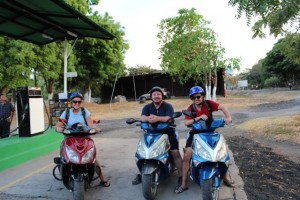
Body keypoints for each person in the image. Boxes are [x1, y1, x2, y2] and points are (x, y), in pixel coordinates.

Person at [175, 86, 234, 194]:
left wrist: (228, 117)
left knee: (223, 152)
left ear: (202, 96)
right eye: (193, 97)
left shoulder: (209, 104)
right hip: (195, 133)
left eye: (198, 96)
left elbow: (222, 107)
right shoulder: (191, 108)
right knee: (187, 155)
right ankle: (183, 184)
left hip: (210, 132)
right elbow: (186, 123)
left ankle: (225, 178)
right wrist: (199, 117)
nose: (196, 99)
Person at [55, 92, 110, 187]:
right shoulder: (66, 112)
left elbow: (90, 124)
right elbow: (59, 125)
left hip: (84, 138)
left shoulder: (85, 111)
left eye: (79, 102)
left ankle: (102, 179)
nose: (77, 104)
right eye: (75, 101)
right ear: (71, 102)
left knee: (93, 159)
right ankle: (63, 172)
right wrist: (60, 129)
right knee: (64, 156)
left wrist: (96, 129)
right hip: (70, 138)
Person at [132, 86, 183, 185]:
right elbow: (142, 117)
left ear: (162, 96)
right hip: (151, 133)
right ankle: (140, 173)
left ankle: (181, 175)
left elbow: (169, 118)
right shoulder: (147, 107)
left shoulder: (168, 106)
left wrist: (158, 118)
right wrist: (148, 119)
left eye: (158, 94)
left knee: (175, 153)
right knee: (141, 153)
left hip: (168, 132)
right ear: (151, 97)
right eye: (154, 94)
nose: (156, 96)